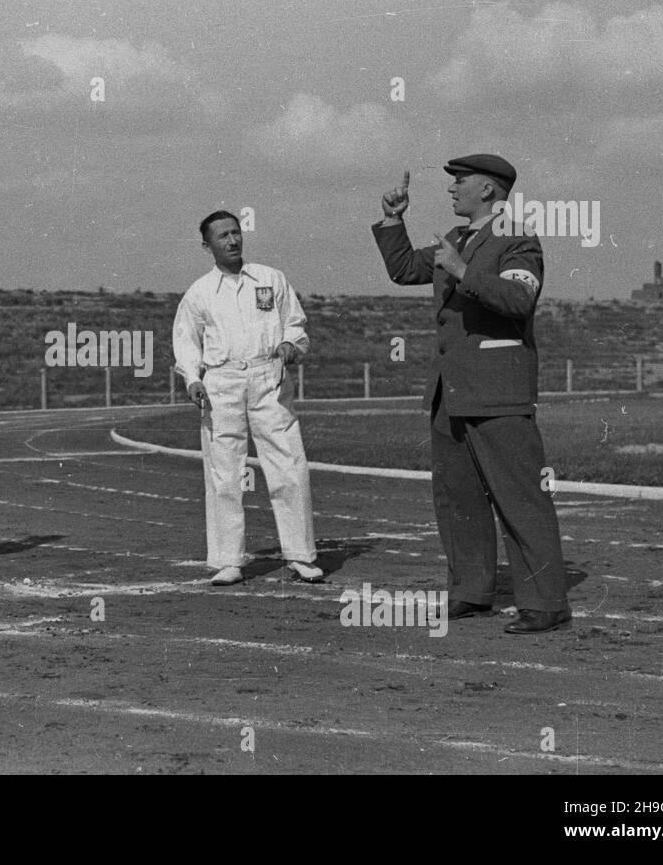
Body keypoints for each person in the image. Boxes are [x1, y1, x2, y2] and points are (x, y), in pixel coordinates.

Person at [372, 155, 571, 633]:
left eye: (459, 182)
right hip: (450, 393)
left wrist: (462, 270)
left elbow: (519, 299)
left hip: (498, 392)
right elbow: (402, 269)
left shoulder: (518, 238)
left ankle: (546, 604)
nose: (451, 190)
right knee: (458, 498)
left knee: (521, 499)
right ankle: (470, 591)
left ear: (488, 190)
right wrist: (394, 219)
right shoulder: (455, 241)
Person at [172, 210, 323, 586]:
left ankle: (301, 555)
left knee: (288, 465)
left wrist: (290, 343)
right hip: (221, 382)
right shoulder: (199, 293)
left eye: (236, 232)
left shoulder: (271, 279)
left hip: (268, 378)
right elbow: (186, 343)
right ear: (207, 246)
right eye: (222, 236)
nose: (233, 240)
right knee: (226, 475)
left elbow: (296, 323)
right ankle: (228, 560)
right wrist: (192, 379)